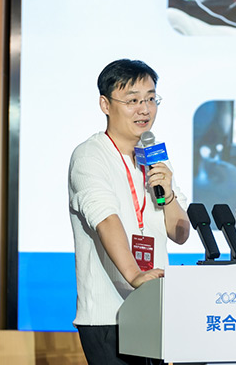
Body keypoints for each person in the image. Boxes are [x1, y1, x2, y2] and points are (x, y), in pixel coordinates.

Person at [68, 59, 190, 365]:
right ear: (105, 104)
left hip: (154, 308)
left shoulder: (155, 156)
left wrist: (168, 194)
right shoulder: (90, 156)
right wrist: (135, 274)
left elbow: (180, 233)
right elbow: (106, 220)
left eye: (151, 99)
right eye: (133, 100)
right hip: (109, 315)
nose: (144, 109)